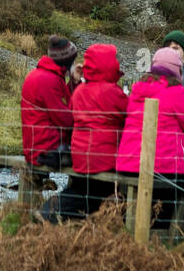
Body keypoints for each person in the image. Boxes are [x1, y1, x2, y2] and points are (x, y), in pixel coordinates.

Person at [115, 46, 184, 234]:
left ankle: (150, 233)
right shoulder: (175, 92)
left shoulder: (137, 90)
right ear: (177, 70)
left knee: (167, 187)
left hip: (130, 164)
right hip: (160, 167)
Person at [41, 43, 127, 221]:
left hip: (80, 158)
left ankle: (54, 212)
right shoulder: (114, 93)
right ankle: (52, 212)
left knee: (84, 189)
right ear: (109, 66)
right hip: (105, 160)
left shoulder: (80, 91)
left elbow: (71, 113)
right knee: (104, 191)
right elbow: (128, 117)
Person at [21, 36, 78, 170]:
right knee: (88, 158)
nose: (75, 64)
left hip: (35, 146)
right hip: (46, 152)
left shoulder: (41, 74)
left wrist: (73, 82)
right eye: (73, 60)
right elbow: (66, 120)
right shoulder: (50, 80)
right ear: (66, 62)